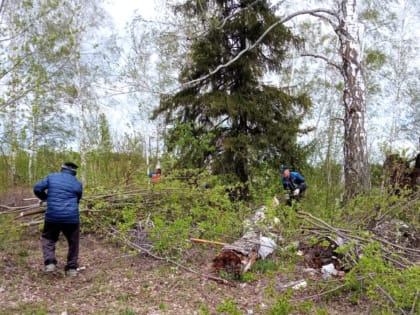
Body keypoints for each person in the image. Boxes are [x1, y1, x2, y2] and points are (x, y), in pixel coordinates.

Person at [33, 162, 83, 276]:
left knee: (48, 238)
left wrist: (45, 198)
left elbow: (37, 188)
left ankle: (50, 263)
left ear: (62, 169)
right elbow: (78, 199)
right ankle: (71, 269)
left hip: (53, 216)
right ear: (74, 172)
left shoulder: (52, 177)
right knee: (73, 242)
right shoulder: (77, 183)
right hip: (71, 218)